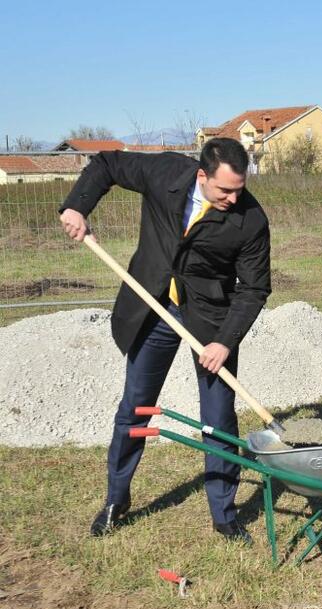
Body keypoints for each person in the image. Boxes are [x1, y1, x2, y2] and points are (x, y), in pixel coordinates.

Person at [58, 138, 272, 541]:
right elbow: (107, 164)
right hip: (150, 306)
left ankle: (224, 515)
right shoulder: (166, 174)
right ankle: (115, 500)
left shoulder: (250, 219)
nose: (232, 198)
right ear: (202, 175)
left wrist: (225, 342)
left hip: (211, 321)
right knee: (135, 408)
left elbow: (254, 289)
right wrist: (77, 206)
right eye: (224, 190)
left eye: (239, 189)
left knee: (218, 420)